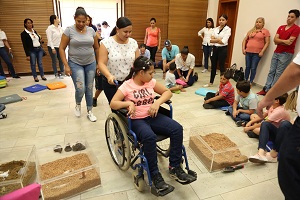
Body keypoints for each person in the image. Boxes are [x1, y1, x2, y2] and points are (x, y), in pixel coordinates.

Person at [110, 56, 196, 192]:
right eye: (150, 73)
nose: (152, 75)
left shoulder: (151, 83)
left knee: (177, 129)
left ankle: (174, 167)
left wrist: (157, 102)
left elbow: (167, 92)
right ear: (140, 73)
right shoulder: (127, 86)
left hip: (153, 116)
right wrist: (128, 103)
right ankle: (155, 174)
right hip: (137, 120)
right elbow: (113, 103)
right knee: (149, 137)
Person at [257, 51, 300, 199]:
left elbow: (295, 72)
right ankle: (261, 152)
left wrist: (267, 98)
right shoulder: (274, 108)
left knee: (289, 170)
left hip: (283, 129)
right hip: (278, 126)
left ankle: (272, 152)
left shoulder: (279, 110)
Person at [59, 7, 99, 122]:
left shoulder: (91, 31)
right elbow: (62, 48)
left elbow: (97, 48)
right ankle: (78, 104)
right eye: (78, 21)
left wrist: (98, 64)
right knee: (80, 88)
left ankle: (90, 111)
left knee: (90, 87)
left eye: (83, 21)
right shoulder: (69, 30)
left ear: (87, 20)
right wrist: (66, 65)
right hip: (75, 63)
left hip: (90, 62)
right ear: (74, 19)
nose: (81, 24)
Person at [257, 9, 300, 95]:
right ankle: (266, 89)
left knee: (278, 73)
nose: (289, 18)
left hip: (286, 54)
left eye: (292, 17)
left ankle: (271, 92)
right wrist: (284, 41)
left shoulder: (296, 28)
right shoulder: (281, 27)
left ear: (296, 18)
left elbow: (289, 42)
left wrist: (279, 40)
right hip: (276, 52)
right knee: (271, 71)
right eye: (288, 16)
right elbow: (275, 40)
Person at [98, 17, 139, 104]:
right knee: (118, 109)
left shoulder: (133, 43)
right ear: (117, 29)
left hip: (129, 83)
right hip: (113, 84)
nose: (128, 34)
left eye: (130, 31)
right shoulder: (106, 43)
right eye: (125, 32)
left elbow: (137, 63)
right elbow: (101, 63)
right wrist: (109, 76)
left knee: (132, 108)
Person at [204, 14, 231, 87]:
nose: (221, 21)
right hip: (215, 48)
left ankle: (223, 83)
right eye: (220, 20)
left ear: (226, 21)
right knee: (213, 66)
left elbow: (223, 41)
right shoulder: (215, 29)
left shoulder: (228, 29)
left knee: (222, 66)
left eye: (223, 20)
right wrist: (218, 40)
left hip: (222, 49)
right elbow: (210, 40)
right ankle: (211, 82)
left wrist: (216, 40)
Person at [242, 17, 270, 84]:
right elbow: (244, 40)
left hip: (257, 54)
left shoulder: (265, 31)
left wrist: (262, 51)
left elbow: (267, 42)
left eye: (260, 22)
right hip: (248, 52)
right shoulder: (251, 31)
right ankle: (245, 80)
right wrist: (243, 48)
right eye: (257, 22)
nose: (258, 23)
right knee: (247, 67)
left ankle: (251, 82)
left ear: (263, 23)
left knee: (253, 68)